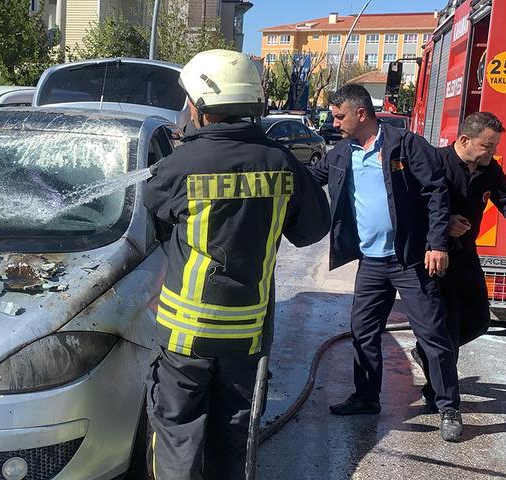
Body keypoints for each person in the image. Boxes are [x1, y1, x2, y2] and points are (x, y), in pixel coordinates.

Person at [143, 49, 330, 479]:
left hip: (185, 336)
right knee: (235, 432)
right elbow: (312, 230)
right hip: (246, 333)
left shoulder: (180, 165)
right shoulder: (281, 162)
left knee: (176, 430)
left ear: (200, 107)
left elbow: (154, 228)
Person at [308, 84, 464, 442]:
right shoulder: (341, 153)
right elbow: (309, 179)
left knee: (432, 334)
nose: (335, 122)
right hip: (371, 263)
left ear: (361, 113)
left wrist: (437, 243)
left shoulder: (405, 145)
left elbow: (436, 192)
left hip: (410, 259)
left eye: (340, 115)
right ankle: (366, 398)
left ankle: (448, 407)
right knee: (363, 332)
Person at [412, 112, 506, 408]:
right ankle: (440, 397)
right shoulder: (434, 162)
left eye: (494, 146)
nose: (492, 152)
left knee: (479, 321)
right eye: (487, 146)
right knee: (450, 325)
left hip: (465, 256)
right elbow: (412, 207)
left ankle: (429, 352)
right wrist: (444, 225)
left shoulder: (488, 170)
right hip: (436, 256)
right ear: (465, 139)